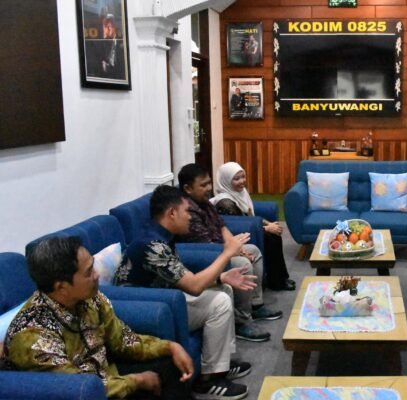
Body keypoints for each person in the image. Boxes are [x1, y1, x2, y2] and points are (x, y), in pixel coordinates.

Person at [1, 237, 194, 399]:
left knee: (169, 365)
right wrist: (137, 381)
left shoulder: (90, 298)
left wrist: (169, 346)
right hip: (83, 393)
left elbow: (122, 340)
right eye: (88, 272)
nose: (96, 275)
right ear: (61, 287)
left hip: (105, 375)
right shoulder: (33, 336)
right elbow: (78, 389)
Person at [114, 186, 256, 400]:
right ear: (171, 213)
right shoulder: (153, 245)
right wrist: (227, 253)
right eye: (187, 211)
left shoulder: (162, 236)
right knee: (219, 302)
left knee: (223, 288)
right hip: (148, 310)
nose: (191, 216)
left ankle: (221, 365)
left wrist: (221, 277)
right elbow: (194, 286)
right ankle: (208, 381)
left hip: (165, 298)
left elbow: (182, 276)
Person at [177, 163, 282, 343]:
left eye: (209, 183)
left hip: (219, 247)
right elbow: (204, 243)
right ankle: (241, 321)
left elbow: (221, 226)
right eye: (203, 185)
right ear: (187, 188)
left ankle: (255, 305)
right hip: (205, 253)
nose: (209, 188)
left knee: (253, 251)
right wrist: (234, 253)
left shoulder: (205, 203)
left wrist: (237, 247)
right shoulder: (186, 210)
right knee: (243, 264)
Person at [211, 162, 295, 291]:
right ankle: (277, 281)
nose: (242, 181)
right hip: (236, 236)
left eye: (243, 177)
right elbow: (240, 225)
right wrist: (266, 228)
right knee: (271, 238)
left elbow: (249, 215)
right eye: (236, 179)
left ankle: (279, 278)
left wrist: (267, 223)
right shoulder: (225, 203)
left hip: (249, 228)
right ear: (226, 181)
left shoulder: (240, 192)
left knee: (273, 234)